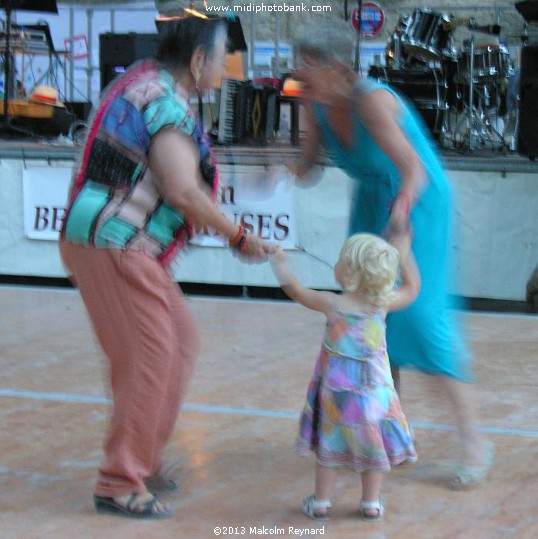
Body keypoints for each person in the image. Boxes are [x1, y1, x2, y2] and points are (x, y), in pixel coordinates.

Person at [59, 15, 271, 519]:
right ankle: (119, 481)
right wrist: (238, 234)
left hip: (115, 242)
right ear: (198, 61)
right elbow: (181, 191)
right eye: (222, 59)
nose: (225, 69)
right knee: (152, 357)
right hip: (115, 242)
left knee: (174, 346)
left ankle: (141, 462)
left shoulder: (145, 82)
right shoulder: (162, 99)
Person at [290, 21, 494, 490]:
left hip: (414, 202)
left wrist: (400, 213)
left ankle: (476, 442)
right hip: (370, 203)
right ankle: (379, 435)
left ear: (340, 68)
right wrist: (280, 175)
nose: (299, 70)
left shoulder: (372, 102)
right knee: (370, 318)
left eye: (309, 62)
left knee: (421, 318)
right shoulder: (313, 102)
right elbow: (306, 169)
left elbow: (414, 170)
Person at [270, 232, 419, 521]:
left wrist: (279, 263)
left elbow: (297, 292)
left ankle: (321, 502)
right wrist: (404, 254)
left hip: (336, 394)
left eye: (340, 260)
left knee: (329, 446)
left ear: (349, 272)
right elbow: (413, 288)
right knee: (372, 447)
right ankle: (371, 504)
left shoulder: (333, 304)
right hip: (376, 395)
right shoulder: (382, 305)